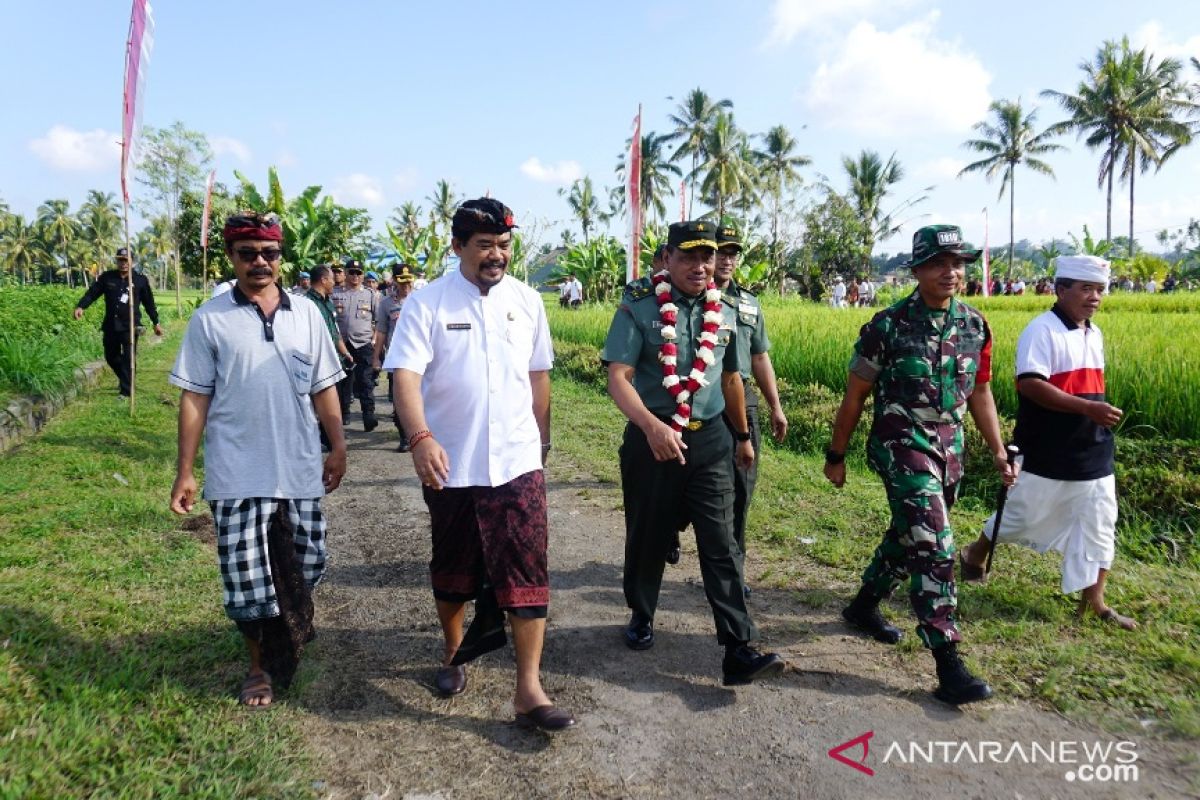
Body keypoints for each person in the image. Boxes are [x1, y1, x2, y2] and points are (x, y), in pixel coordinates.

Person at [384, 197, 574, 731]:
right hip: (452, 464)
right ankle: (452, 650)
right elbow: (405, 377)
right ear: (458, 246)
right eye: (485, 245)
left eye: (504, 246)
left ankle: (528, 689)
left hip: (516, 462)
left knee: (527, 571)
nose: (497, 256)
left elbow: (539, 377)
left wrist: (542, 442)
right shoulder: (427, 304)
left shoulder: (528, 301)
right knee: (453, 567)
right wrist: (419, 437)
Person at [824, 224, 1017, 705]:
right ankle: (947, 660)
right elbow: (855, 396)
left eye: (958, 263)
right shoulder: (886, 327)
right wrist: (836, 454)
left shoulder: (976, 326)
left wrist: (996, 449)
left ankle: (864, 605)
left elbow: (982, 393)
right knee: (934, 543)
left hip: (948, 451)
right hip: (899, 443)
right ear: (918, 269)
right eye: (938, 263)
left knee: (909, 532)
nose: (950, 272)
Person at [168, 211, 347, 707]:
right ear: (231, 258)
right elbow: (194, 398)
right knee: (247, 578)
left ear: (281, 257)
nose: (259, 263)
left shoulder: (307, 314)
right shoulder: (210, 318)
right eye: (247, 254)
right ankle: (258, 668)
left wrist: (337, 445)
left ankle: (290, 623)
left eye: (268, 253)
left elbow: (324, 386)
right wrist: (185, 471)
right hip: (236, 472)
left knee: (308, 562)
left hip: (299, 468)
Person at [601, 220, 785, 686]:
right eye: (688, 257)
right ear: (667, 258)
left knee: (722, 542)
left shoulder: (723, 310)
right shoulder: (639, 304)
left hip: (710, 441)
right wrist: (650, 426)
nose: (700, 266)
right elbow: (618, 376)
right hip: (652, 439)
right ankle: (642, 613)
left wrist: (742, 438)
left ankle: (739, 647)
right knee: (648, 534)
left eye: (707, 257)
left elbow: (730, 379)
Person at [958, 255, 1136, 630]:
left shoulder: (1094, 333)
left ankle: (1094, 602)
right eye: (1085, 289)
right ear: (1060, 289)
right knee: (1019, 515)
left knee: (1101, 522)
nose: (1094, 297)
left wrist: (1092, 415)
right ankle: (974, 553)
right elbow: (1030, 384)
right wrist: (1087, 410)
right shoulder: (1042, 330)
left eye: (1099, 290)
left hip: (1093, 448)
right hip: (1048, 447)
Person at [712, 224, 788, 593]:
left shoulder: (748, 303)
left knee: (742, 487)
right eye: (720, 251)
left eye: (732, 253)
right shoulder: (689, 299)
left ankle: (734, 567)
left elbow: (760, 357)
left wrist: (776, 406)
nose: (727, 260)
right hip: (701, 402)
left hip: (743, 401)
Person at [73, 246, 164, 397]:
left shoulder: (140, 280)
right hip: (110, 325)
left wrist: (156, 322)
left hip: (130, 326)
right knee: (111, 356)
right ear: (116, 261)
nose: (123, 263)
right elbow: (92, 293)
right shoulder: (107, 277)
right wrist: (81, 306)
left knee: (129, 358)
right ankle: (126, 378)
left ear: (132, 261)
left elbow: (149, 303)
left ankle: (126, 391)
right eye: (120, 260)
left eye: (126, 260)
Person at [372, 263, 416, 451]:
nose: (406, 286)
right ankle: (404, 436)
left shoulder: (421, 300)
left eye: (408, 281)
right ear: (395, 282)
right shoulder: (386, 304)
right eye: (402, 282)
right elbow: (381, 331)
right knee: (399, 398)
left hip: (420, 357)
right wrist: (376, 358)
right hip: (397, 358)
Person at [334, 259, 379, 432]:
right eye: (351, 272)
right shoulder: (336, 294)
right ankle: (344, 413)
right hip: (342, 343)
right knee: (342, 380)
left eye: (358, 273)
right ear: (346, 273)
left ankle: (368, 415)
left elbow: (379, 320)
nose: (355, 276)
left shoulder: (370, 294)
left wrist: (374, 340)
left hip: (363, 343)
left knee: (365, 380)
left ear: (362, 275)